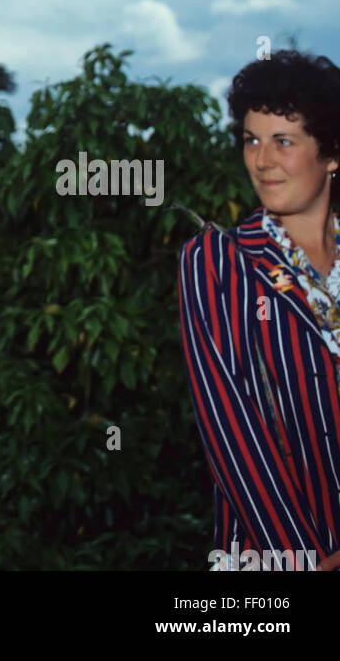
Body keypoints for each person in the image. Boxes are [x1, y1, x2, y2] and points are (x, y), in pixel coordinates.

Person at [178, 49, 340, 571]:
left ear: (332, 153)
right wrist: (307, 560)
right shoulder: (217, 260)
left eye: (283, 141)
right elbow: (230, 427)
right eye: (252, 140)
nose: (262, 160)